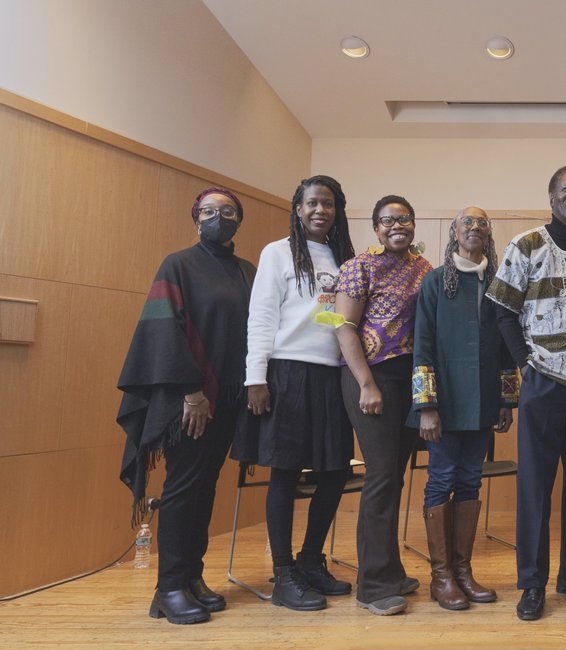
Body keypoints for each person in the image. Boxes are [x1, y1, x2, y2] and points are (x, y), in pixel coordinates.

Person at [117, 187, 255, 624]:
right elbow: (164, 333)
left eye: (228, 211)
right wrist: (191, 392)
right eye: (210, 211)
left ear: (239, 219)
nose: (219, 217)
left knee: (205, 487)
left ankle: (193, 577)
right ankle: (169, 587)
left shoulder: (247, 271)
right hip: (190, 401)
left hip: (230, 400)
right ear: (196, 217)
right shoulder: (177, 265)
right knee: (181, 489)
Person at [486, 165, 566, 621]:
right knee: (535, 488)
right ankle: (532, 583)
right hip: (543, 381)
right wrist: (524, 363)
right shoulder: (526, 245)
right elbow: (502, 310)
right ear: (551, 196)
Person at [239, 175, 355, 612]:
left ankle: (310, 560)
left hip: (332, 375)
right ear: (298, 208)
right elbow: (261, 316)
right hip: (285, 373)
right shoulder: (277, 252)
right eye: (311, 203)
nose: (319, 210)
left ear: (337, 210)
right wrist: (256, 377)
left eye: (327, 204)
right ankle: (284, 572)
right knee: (285, 474)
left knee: (334, 472)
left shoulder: (347, 257)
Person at [411, 207, 516, 610]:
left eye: (482, 223)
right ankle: (440, 577)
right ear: (454, 233)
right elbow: (421, 346)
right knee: (441, 481)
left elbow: (507, 347)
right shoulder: (436, 282)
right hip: (444, 403)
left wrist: (508, 399)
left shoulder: (498, 283)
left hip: (484, 403)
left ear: (489, 234)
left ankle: (463, 571)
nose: (475, 227)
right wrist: (426, 406)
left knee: (471, 481)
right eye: (466, 223)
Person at [334, 194, 432, 616]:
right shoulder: (358, 267)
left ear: (413, 225)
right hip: (370, 378)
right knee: (379, 477)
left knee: (394, 477)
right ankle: (372, 586)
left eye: (405, 219)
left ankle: (390, 572)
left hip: (409, 382)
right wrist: (366, 383)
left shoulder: (423, 269)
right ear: (375, 228)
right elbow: (343, 327)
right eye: (388, 220)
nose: (397, 226)